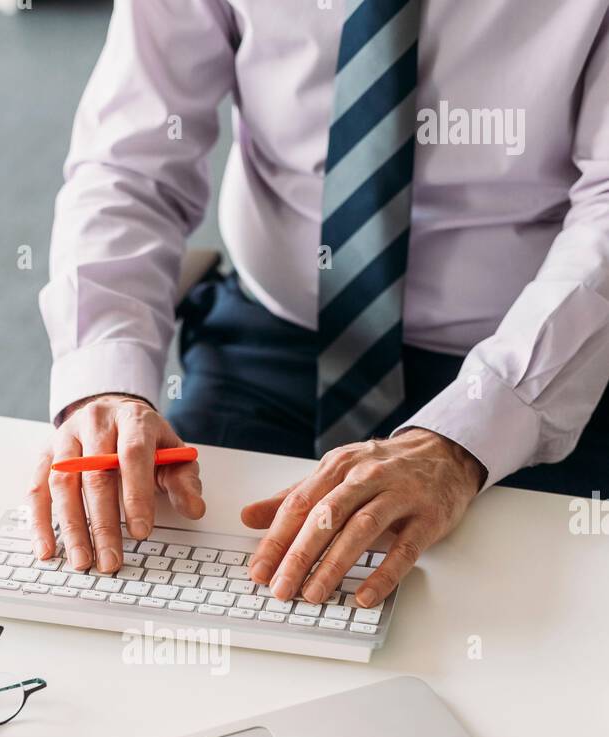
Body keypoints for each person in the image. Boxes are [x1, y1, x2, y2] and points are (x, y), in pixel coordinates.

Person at [32, 0, 609, 612]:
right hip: (277, 340)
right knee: (145, 587)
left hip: (550, 355)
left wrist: (468, 439)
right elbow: (130, 162)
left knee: (527, 632)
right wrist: (104, 382)